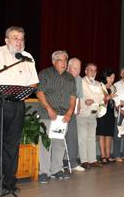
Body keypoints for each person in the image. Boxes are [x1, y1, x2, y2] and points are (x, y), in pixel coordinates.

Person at [0, 26, 39, 193]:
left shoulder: (27, 57)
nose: (19, 42)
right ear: (7, 40)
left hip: (17, 105)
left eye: (21, 38)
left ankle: (9, 182)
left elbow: (33, 82)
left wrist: (23, 92)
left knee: (12, 145)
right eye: (15, 38)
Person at [37, 50, 76, 184]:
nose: (64, 63)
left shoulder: (70, 78)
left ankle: (57, 169)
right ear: (54, 61)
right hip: (47, 115)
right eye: (61, 60)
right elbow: (40, 93)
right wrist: (49, 109)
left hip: (62, 116)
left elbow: (72, 96)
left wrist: (70, 112)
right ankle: (44, 172)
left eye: (66, 60)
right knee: (45, 144)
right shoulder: (45, 74)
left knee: (59, 144)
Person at [78, 63, 104, 169]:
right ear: (85, 71)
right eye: (90, 70)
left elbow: (101, 98)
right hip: (83, 113)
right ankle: (84, 161)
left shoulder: (98, 84)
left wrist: (93, 97)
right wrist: (88, 100)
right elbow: (79, 97)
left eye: (95, 70)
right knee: (82, 138)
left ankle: (92, 160)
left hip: (93, 114)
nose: (93, 72)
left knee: (92, 138)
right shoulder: (81, 82)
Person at [66, 58, 86, 172]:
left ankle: (73, 163)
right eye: (75, 68)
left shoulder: (78, 79)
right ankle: (56, 165)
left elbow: (79, 95)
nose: (78, 71)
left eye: (79, 69)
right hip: (60, 111)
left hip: (72, 112)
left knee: (73, 137)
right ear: (68, 67)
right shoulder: (62, 76)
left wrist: (78, 107)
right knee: (58, 139)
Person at [96, 69, 116, 163]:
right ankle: (103, 156)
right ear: (105, 77)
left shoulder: (113, 88)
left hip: (111, 112)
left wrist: (120, 103)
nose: (112, 79)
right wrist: (109, 97)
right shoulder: (100, 86)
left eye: (113, 78)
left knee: (109, 134)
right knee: (102, 134)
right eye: (110, 77)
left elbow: (115, 100)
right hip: (102, 112)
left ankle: (108, 155)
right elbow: (99, 100)